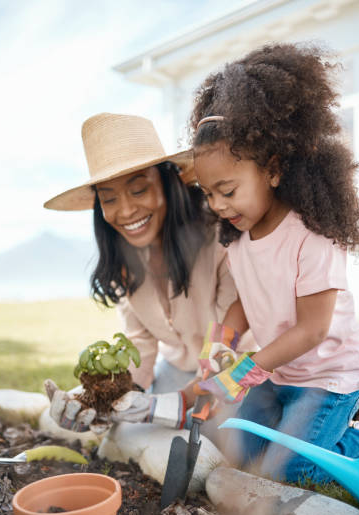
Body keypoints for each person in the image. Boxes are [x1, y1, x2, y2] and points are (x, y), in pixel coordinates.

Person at [190, 42, 359, 483]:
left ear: (272, 169)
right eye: (208, 193)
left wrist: (244, 372)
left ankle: (358, 437)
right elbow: (245, 306)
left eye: (227, 191)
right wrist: (220, 348)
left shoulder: (311, 235)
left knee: (290, 472)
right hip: (280, 372)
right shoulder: (239, 236)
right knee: (240, 452)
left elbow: (312, 330)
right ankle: (308, 435)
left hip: (328, 377)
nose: (217, 205)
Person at [44, 112, 252, 432]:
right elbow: (139, 344)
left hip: (240, 370)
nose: (125, 211)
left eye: (139, 190)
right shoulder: (124, 262)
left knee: (225, 437)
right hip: (177, 372)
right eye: (109, 198)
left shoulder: (220, 237)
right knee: (121, 432)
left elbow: (231, 339)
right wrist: (99, 402)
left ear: (169, 185)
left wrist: (181, 401)